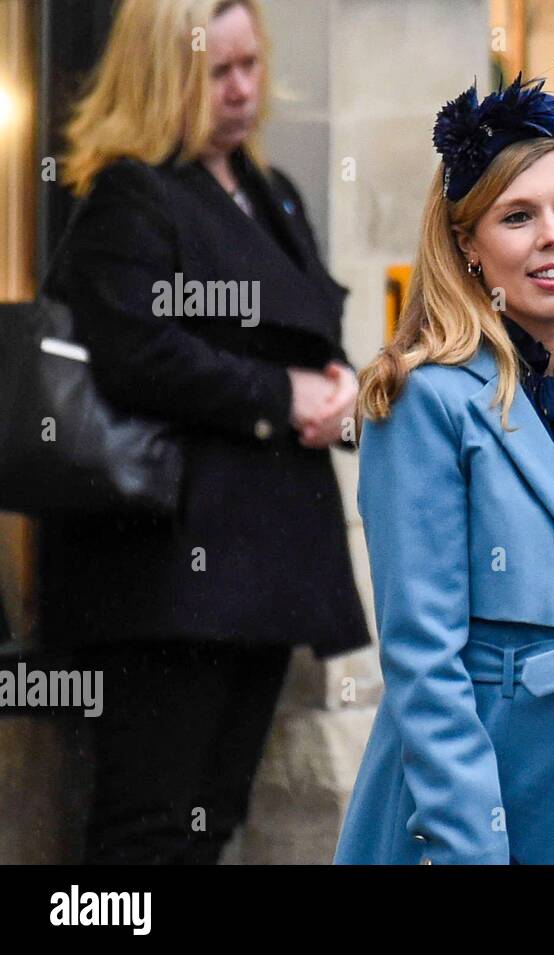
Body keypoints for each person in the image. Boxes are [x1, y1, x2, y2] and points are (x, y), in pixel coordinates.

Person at [39, 0, 369, 863]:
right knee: (148, 827)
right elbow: (136, 349)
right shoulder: (129, 191)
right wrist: (281, 393)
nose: (242, 90)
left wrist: (332, 386)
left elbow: (301, 325)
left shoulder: (271, 192)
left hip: (259, 567)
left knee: (211, 819)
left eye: (250, 65)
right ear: (163, 73)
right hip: (165, 570)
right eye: (216, 71)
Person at [333, 74, 554, 865]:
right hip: (491, 817)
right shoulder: (426, 398)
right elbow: (425, 665)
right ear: (467, 245)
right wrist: (472, 848)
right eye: (517, 217)